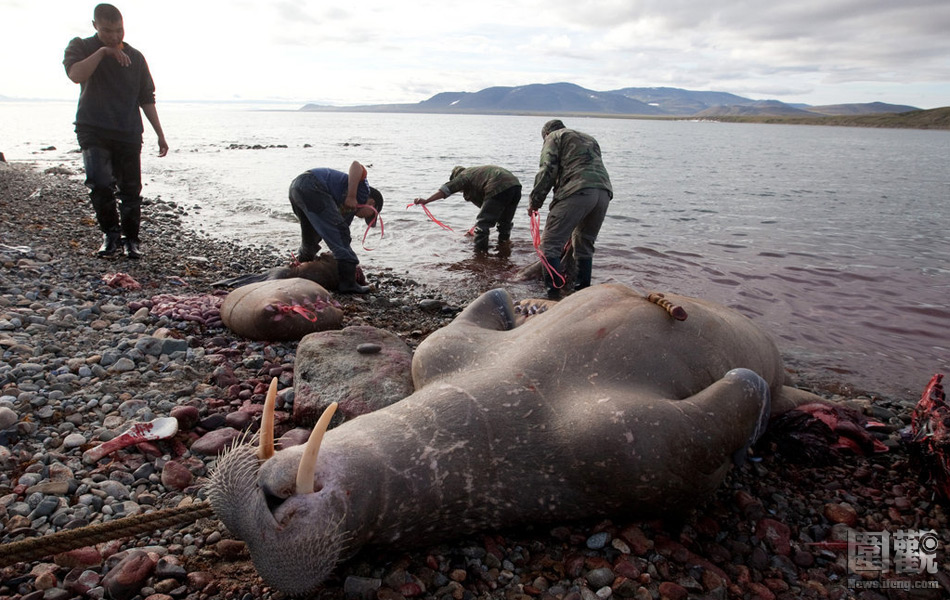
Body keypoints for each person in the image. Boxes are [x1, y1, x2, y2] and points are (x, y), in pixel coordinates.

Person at [63, 3, 168, 259]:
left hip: (128, 131)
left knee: (131, 190)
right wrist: (103, 52)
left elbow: (147, 97)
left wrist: (160, 134)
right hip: (92, 128)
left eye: (119, 30)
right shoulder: (81, 46)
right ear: (95, 26)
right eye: (108, 31)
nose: (115, 36)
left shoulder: (136, 57)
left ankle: (131, 240)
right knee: (100, 184)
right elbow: (76, 75)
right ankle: (110, 236)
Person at [529, 119, 612, 298]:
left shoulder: (554, 137)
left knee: (549, 246)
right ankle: (581, 294)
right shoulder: (589, 138)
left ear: (545, 134)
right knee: (584, 245)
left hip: (576, 191)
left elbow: (547, 170)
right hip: (604, 192)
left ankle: (553, 295)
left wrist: (535, 202)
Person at [288, 161, 384, 294]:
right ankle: (348, 284)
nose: (362, 218)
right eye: (369, 216)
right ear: (372, 203)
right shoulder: (362, 191)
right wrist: (351, 196)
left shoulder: (348, 214)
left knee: (311, 238)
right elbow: (356, 166)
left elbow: (337, 233)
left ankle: (299, 267)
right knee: (341, 233)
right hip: (312, 184)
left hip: (297, 188)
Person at [413, 165, 522, 253]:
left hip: (498, 185)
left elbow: (446, 190)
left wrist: (426, 200)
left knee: (482, 227)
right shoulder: (476, 175)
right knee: (504, 222)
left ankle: (480, 256)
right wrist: (473, 229)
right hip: (515, 186)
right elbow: (489, 211)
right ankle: (504, 249)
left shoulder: (463, 176)